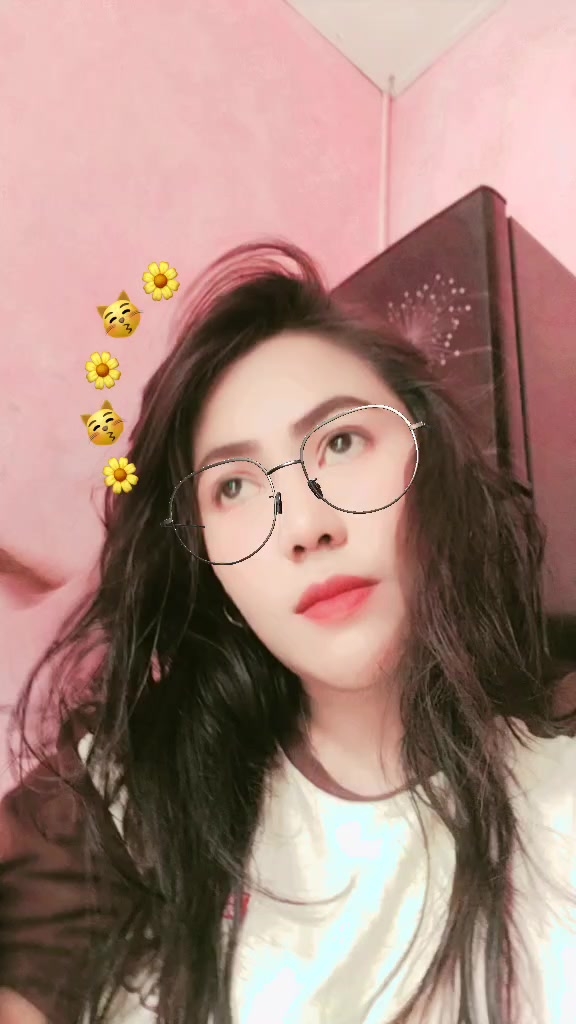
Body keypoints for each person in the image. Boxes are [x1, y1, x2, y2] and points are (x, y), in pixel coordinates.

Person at [0, 240, 575, 1024]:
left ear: (431, 462)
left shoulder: (557, 780)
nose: (305, 526)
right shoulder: (122, 796)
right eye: (234, 486)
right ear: (213, 571)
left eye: (340, 442)